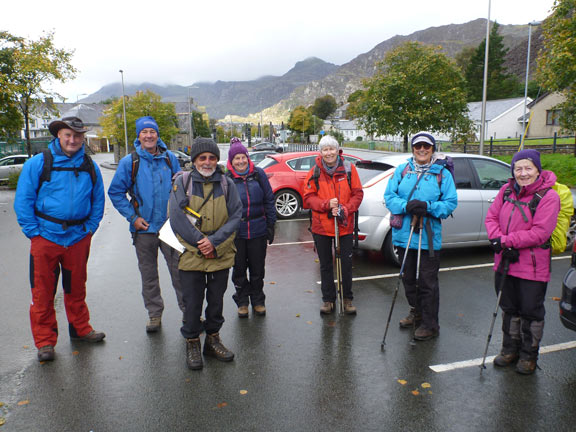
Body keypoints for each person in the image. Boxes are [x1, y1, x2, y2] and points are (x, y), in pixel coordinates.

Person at [14, 116, 106, 362]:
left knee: (76, 288)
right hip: (45, 237)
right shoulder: (38, 163)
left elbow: (98, 199)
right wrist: (33, 232)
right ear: (59, 136)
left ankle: (80, 328)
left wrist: (91, 227)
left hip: (78, 237)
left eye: (77, 136)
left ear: (82, 138)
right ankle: (45, 341)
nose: (73, 140)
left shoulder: (89, 165)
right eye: (68, 135)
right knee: (42, 292)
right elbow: (23, 199)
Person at [169, 137, 242, 370]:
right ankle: (192, 342)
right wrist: (201, 242)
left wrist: (214, 242)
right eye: (203, 158)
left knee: (216, 302)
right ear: (194, 160)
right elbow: (177, 219)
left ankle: (212, 340)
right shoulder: (182, 182)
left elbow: (235, 217)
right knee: (192, 303)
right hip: (191, 253)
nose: (208, 162)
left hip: (220, 252)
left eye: (212, 158)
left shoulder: (227, 184)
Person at [485, 149, 560, 375]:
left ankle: (529, 356)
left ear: (538, 170)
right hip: (505, 262)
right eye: (518, 168)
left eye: (528, 168)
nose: (523, 173)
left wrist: (507, 241)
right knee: (509, 308)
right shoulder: (505, 190)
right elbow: (491, 217)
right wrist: (498, 240)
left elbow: (540, 233)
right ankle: (510, 350)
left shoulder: (549, 197)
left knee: (531, 311)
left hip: (533, 266)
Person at [108, 116, 184, 333]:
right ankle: (154, 314)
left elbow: (181, 188)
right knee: (149, 275)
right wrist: (133, 217)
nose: (149, 136)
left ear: (157, 135)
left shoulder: (170, 159)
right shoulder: (130, 162)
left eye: (152, 132)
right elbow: (115, 192)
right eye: (144, 132)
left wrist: (180, 218)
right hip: (144, 229)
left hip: (170, 228)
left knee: (181, 272)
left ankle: (189, 312)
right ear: (138, 136)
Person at [384, 132, 457, 341]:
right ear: (413, 149)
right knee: (408, 278)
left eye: (427, 146)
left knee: (427, 282)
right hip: (404, 235)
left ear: (433, 149)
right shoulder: (403, 170)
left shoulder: (442, 173)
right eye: (418, 146)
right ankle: (416, 311)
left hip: (428, 238)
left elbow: (450, 202)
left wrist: (429, 207)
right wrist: (406, 206)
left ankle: (430, 323)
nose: (422, 150)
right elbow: (389, 197)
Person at [303, 135, 363, 315]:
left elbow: (358, 194)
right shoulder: (314, 172)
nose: (329, 153)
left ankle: (347, 299)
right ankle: (328, 300)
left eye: (331, 149)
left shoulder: (349, 169)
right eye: (325, 149)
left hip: (343, 226)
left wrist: (346, 208)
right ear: (320, 152)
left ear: (338, 150)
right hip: (321, 226)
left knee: (346, 263)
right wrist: (326, 204)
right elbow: (307, 198)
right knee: (325, 265)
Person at [226, 138, 276, 318]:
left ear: (248, 158)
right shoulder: (227, 179)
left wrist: (271, 224)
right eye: (236, 159)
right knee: (239, 270)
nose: (240, 162)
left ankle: (258, 300)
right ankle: (242, 301)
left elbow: (269, 200)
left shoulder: (258, 174)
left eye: (243, 157)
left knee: (257, 269)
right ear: (231, 161)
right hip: (236, 232)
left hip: (258, 229)